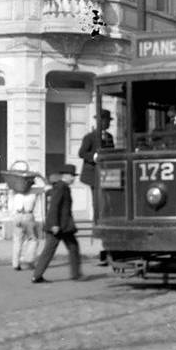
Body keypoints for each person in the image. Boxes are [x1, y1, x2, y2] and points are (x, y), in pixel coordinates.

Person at [32, 165, 82, 283]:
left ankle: (76, 274)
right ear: (66, 176)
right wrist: (54, 224)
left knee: (73, 247)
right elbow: (54, 206)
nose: (73, 179)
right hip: (58, 226)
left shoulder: (63, 187)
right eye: (72, 176)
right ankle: (36, 276)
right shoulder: (61, 187)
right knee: (49, 251)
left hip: (64, 226)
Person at [79, 109, 114, 266]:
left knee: (107, 205)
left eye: (108, 121)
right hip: (93, 176)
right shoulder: (89, 137)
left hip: (107, 176)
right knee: (98, 204)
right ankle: (98, 229)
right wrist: (94, 157)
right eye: (106, 121)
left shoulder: (109, 137)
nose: (108, 124)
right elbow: (81, 153)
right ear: (100, 121)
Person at [9, 170, 40, 271]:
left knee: (17, 240)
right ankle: (29, 259)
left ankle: (15, 263)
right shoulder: (34, 192)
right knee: (32, 239)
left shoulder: (14, 192)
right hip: (29, 216)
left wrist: (13, 217)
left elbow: (11, 206)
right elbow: (46, 188)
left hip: (17, 216)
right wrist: (39, 176)